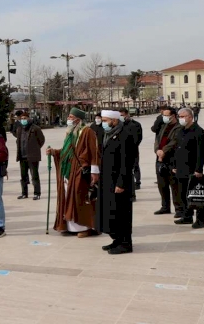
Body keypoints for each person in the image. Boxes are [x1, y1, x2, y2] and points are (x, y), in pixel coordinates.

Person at [47, 108, 100, 238]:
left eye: (71, 117)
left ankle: (85, 227)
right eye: (69, 116)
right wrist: (54, 152)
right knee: (67, 197)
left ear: (78, 119)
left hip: (80, 170)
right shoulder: (70, 133)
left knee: (79, 197)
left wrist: (94, 171)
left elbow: (94, 152)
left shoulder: (87, 132)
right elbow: (66, 151)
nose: (69, 119)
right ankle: (69, 226)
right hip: (67, 170)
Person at [97, 110, 134, 255]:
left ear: (114, 120)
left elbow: (127, 162)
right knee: (111, 212)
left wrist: (121, 183)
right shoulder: (109, 134)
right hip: (108, 180)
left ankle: (125, 243)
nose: (104, 123)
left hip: (119, 181)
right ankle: (117, 239)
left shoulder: (125, 135)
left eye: (106, 120)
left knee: (122, 213)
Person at [172, 108, 204, 228]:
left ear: (190, 117)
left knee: (196, 195)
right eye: (179, 116)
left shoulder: (198, 131)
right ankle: (187, 216)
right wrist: (174, 165)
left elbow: (201, 152)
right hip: (181, 168)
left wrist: (199, 169)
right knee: (183, 194)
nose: (180, 118)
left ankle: (200, 219)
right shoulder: (180, 131)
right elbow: (177, 149)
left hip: (192, 168)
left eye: (183, 116)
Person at [154, 108, 180, 216]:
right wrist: (157, 151)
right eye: (163, 115)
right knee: (162, 184)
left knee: (174, 185)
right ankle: (165, 206)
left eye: (166, 115)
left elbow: (175, 142)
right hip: (160, 159)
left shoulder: (179, 127)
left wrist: (163, 151)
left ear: (173, 116)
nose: (164, 117)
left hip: (171, 159)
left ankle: (178, 208)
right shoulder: (163, 126)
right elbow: (157, 140)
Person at [14, 111, 45, 200]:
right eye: (22, 119)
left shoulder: (35, 128)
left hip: (32, 156)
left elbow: (41, 140)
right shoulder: (19, 129)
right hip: (22, 156)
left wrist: (35, 148)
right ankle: (24, 193)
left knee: (34, 175)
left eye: (25, 118)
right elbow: (18, 141)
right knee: (23, 176)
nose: (23, 120)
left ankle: (37, 193)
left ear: (29, 118)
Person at [119, 108, 143, 194]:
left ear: (127, 114)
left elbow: (138, 138)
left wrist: (133, 146)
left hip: (133, 149)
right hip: (122, 151)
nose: (120, 117)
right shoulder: (119, 125)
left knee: (135, 166)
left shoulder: (135, 125)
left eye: (122, 115)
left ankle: (137, 182)